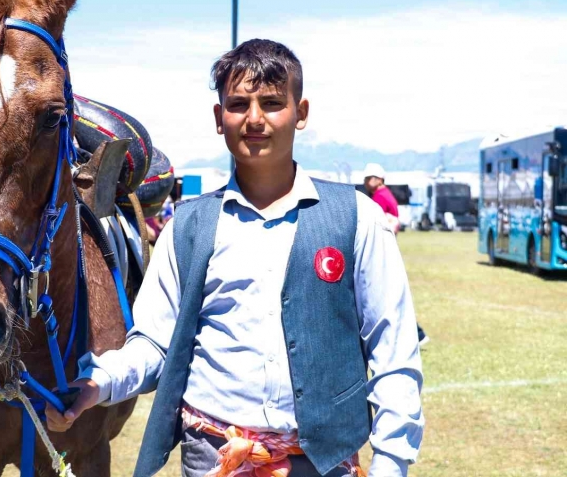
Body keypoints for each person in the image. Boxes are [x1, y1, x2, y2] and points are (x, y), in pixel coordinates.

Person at [47, 40, 424, 477]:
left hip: (324, 465)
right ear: (218, 118)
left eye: (272, 103)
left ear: (301, 113)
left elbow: (393, 352)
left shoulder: (357, 218)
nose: (255, 119)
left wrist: (392, 464)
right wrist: (99, 382)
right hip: (213, 461)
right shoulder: (186, 228)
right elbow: (153, 343)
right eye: (239, 104)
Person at [363, 164, 429, 346]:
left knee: (384, 295)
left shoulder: (379, 197)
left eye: (369, 178)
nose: (366, 182)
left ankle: (417, 333)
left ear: (379, 179)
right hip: (387, 247)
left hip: (380, 249)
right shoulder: (386, 195)